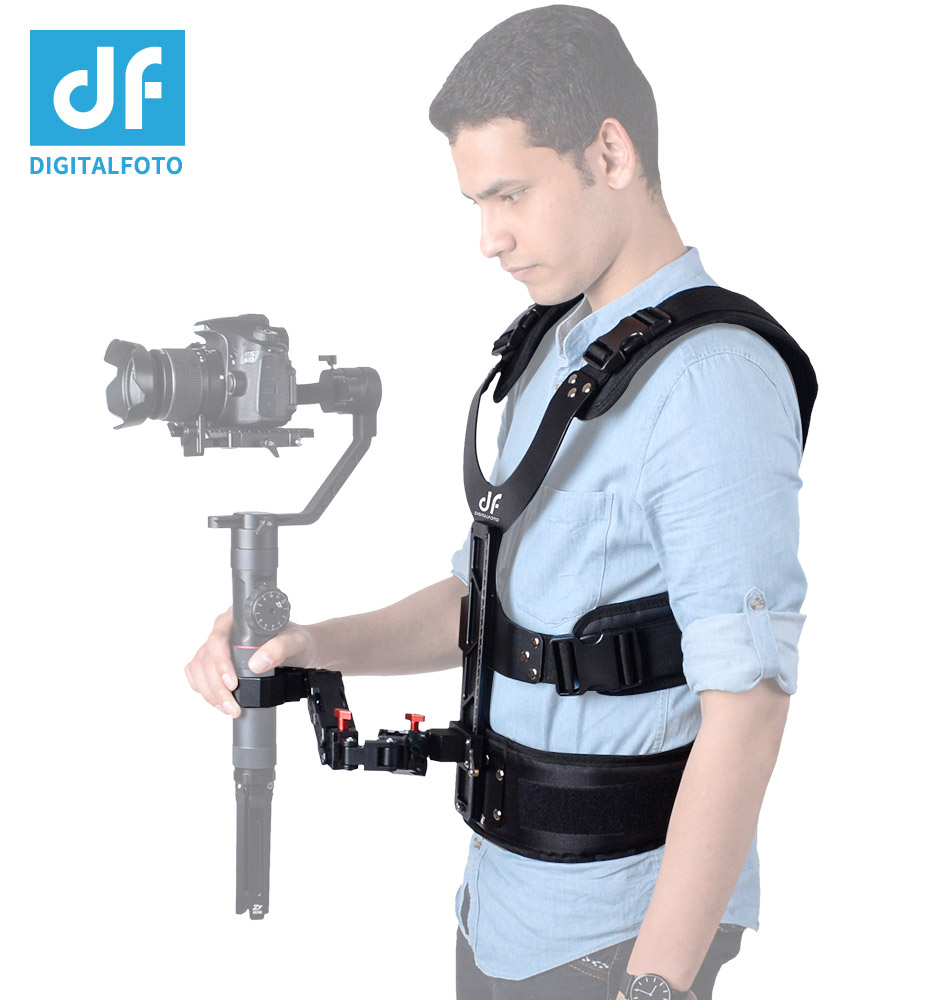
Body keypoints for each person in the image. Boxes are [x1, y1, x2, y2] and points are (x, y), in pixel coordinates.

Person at [184, 7, 808, 998]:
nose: (489, 238)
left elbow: (749, 709)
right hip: (502, 909)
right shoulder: (556, 351)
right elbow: (487, 606)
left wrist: (654, 986)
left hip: (616, 938)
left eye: (511, 194)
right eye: (476, 202)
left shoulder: (711, 380)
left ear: (610, 153)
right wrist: (308, 647)